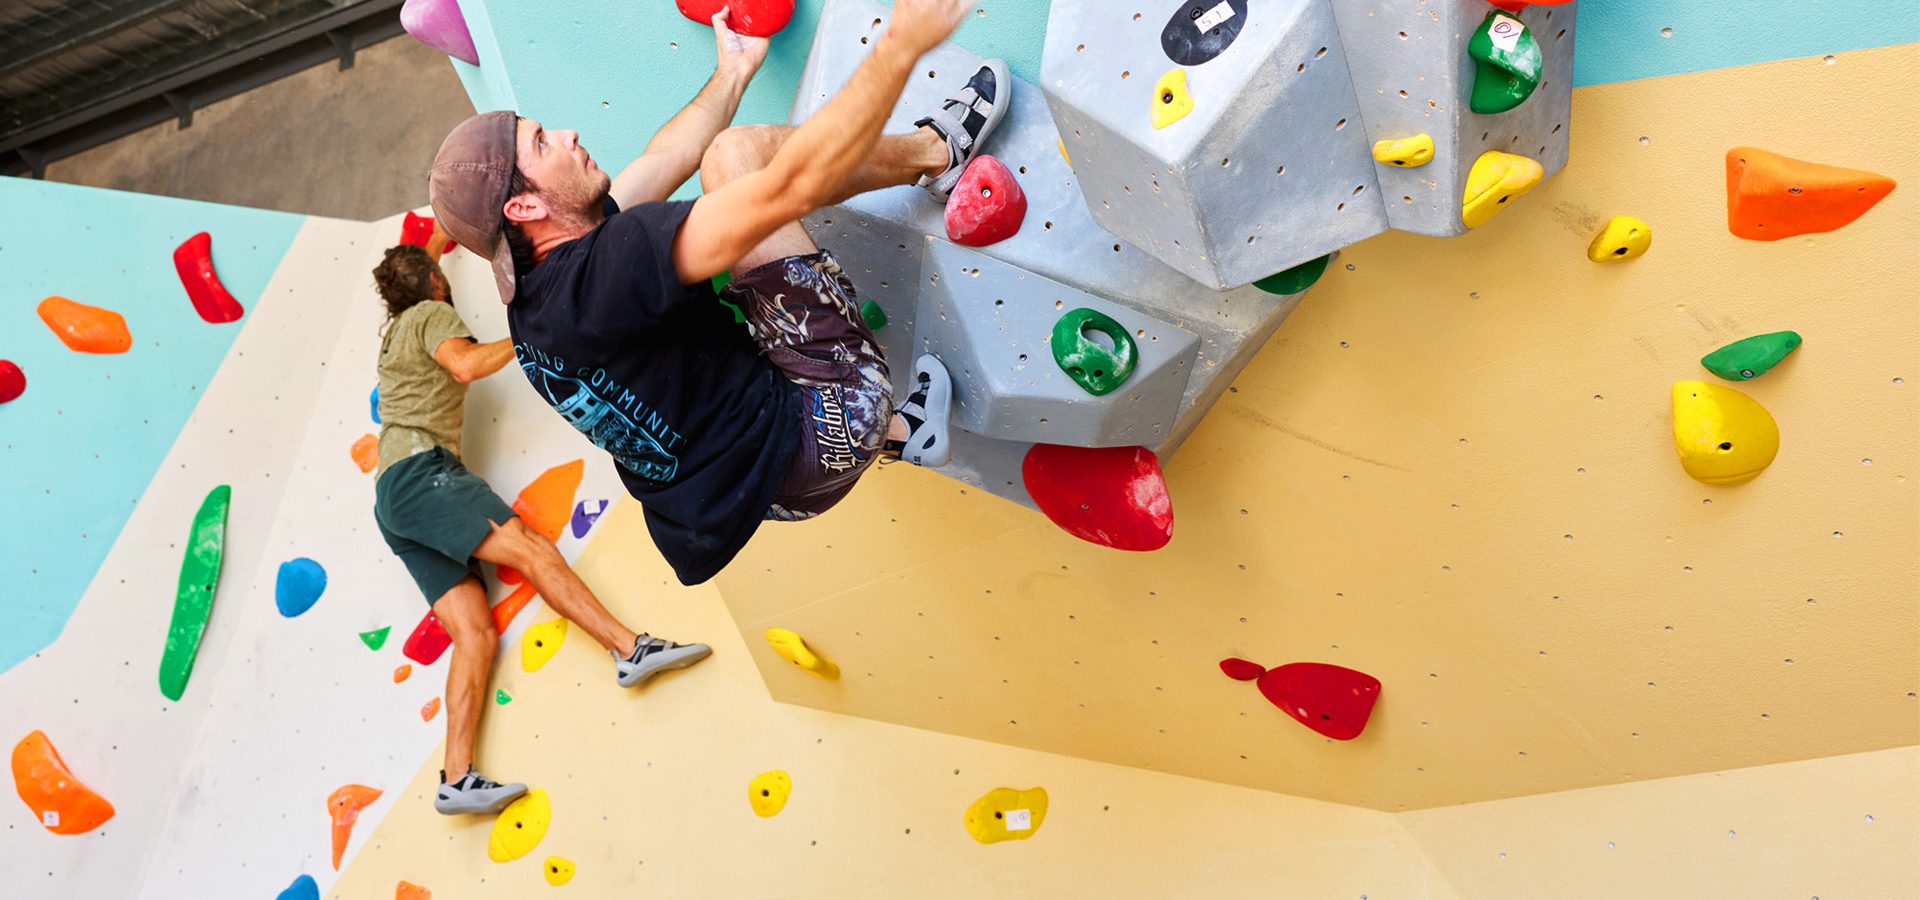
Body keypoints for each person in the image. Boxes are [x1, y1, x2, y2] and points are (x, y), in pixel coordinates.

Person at [426, 0, 1000, 586]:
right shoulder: (604, 274)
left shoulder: (539, 300)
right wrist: (900, 46)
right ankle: (937, 152)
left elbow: (665, 158)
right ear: (524, 208)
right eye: (543, 143)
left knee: (721, 195)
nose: (567, 134)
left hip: (765, 494)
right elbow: (789, 187)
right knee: (736, 157)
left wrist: (735, 70)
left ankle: (906, 431)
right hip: (830, 422)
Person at [370, 244, 710, 816]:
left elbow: (418, 265)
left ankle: (457, 779)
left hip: (392, 498)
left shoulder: (396, 332)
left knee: (475, 635)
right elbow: (464, 364)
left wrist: (434, 242)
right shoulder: (430, 313)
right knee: (529, 548)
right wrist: (526, 337)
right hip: (423, 473)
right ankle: (629, 649)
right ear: (433, 282)